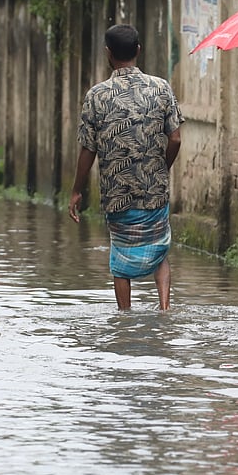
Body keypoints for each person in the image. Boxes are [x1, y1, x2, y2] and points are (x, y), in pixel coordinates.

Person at [69, 24, 183, 310]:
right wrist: (161, 168)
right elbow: (176, 138)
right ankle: (165, 309)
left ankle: (124, 315)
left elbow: (87, 149)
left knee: (120, 256)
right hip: (154, 189)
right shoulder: (161, 87)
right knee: (160, 247)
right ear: (138, 51)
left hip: (116, 193)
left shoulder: (96, 96)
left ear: (108, 53)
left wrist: (76, 191)